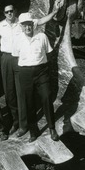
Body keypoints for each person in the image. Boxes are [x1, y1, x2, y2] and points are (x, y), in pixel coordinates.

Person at [0, 2, 60, 137]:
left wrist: (55, 11)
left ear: (14, 11)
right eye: (6, 12)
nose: (9, 13)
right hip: (9, 58)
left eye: (11, 11)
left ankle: (25, 125)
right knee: (10, 93)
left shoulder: (25, 23)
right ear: (4, 14)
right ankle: (17, 123)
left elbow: (42, 20)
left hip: (26, 62)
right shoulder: (0, 26)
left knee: (24, 94)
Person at [17, 12, 59, 142]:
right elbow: (15, 55)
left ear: (33, 25)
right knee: (29, 102)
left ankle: (52, 128)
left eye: (29, 25)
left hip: (41, 72)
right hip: (25, 73)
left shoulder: (42, 36)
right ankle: (33, 131)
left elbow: (49, 53)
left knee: (46, 97)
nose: (27, 28)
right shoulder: (17, 39)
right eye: (25, 26)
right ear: (21, 27)